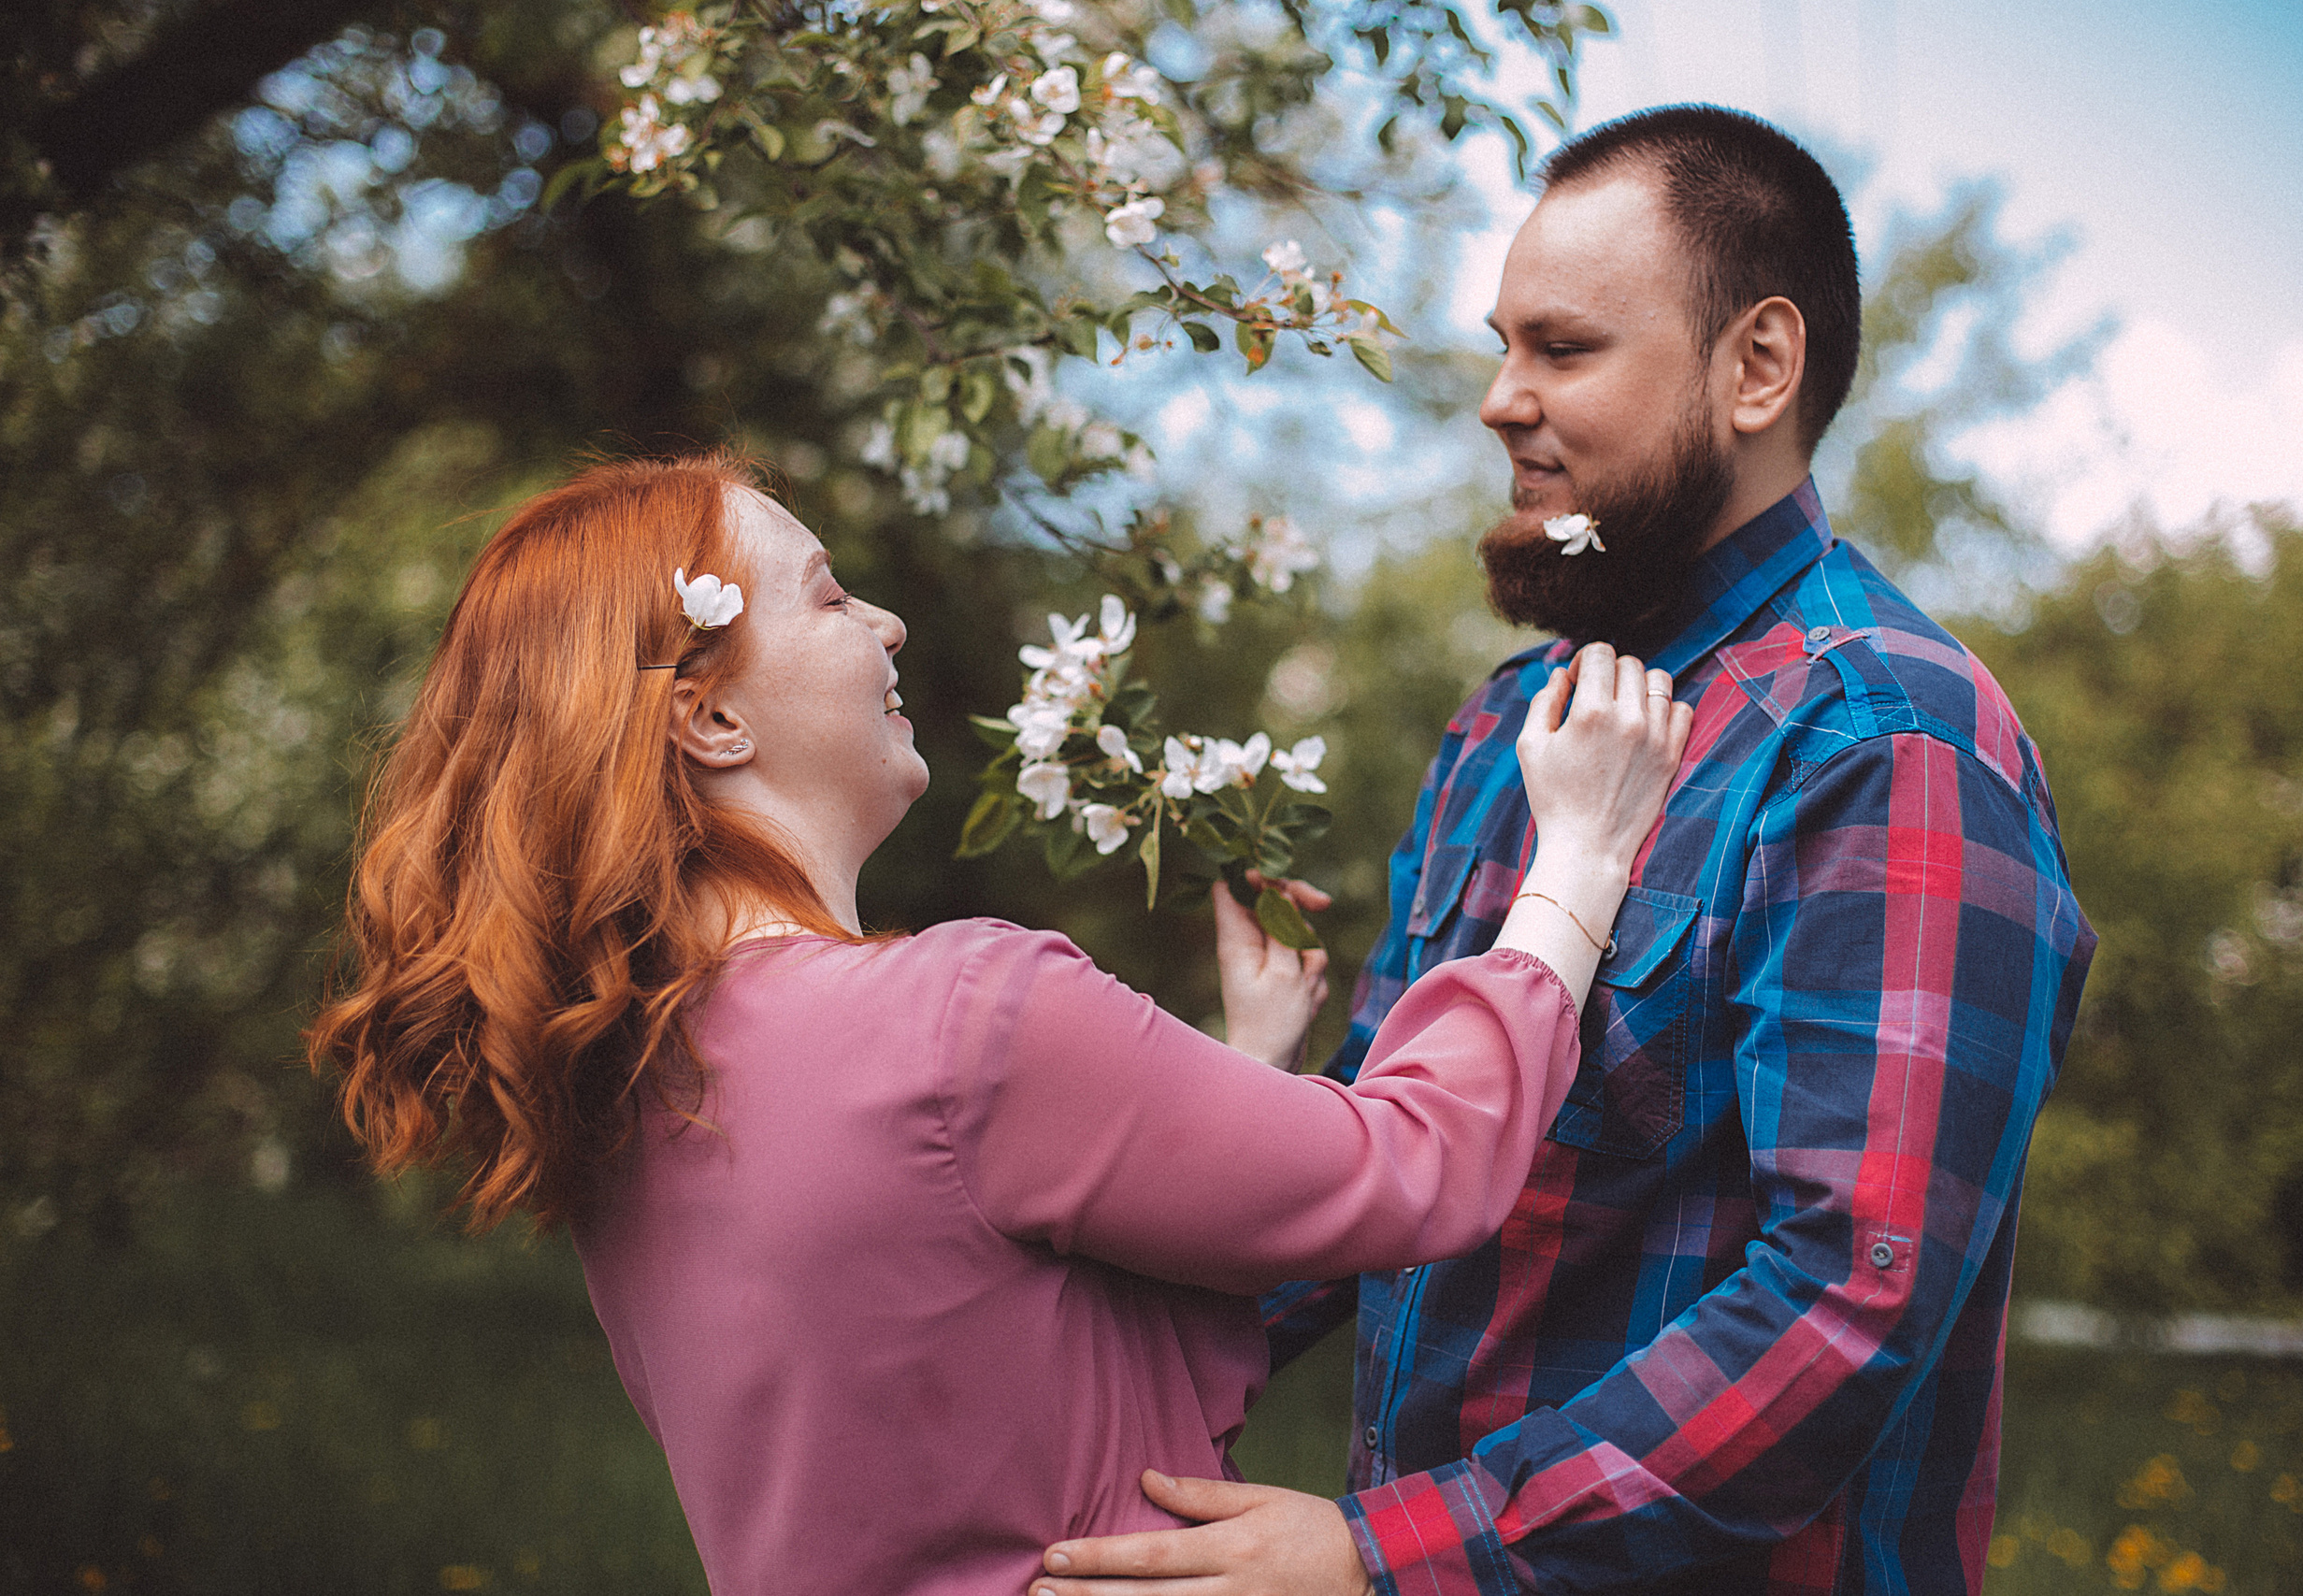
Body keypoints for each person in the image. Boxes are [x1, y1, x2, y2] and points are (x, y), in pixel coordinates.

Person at [1035, 105, 2097, 1596]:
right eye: (1501, 344)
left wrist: (1380, 1558)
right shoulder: (1500, 738)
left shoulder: (1886, 744)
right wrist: (1035, 1321)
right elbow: (1375, 1178)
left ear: (1757, 367)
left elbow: (1850, 1301)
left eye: (1563, 349)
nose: (1495, 399)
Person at [305, 453, 1692, 1593]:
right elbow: (1416, 1163)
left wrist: (1245, 1067)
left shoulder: (626, 1086)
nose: (887, 624)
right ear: (712, 717)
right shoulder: (964, 1018)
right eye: (829, 595)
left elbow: (969, 1336)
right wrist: (1575, 857)